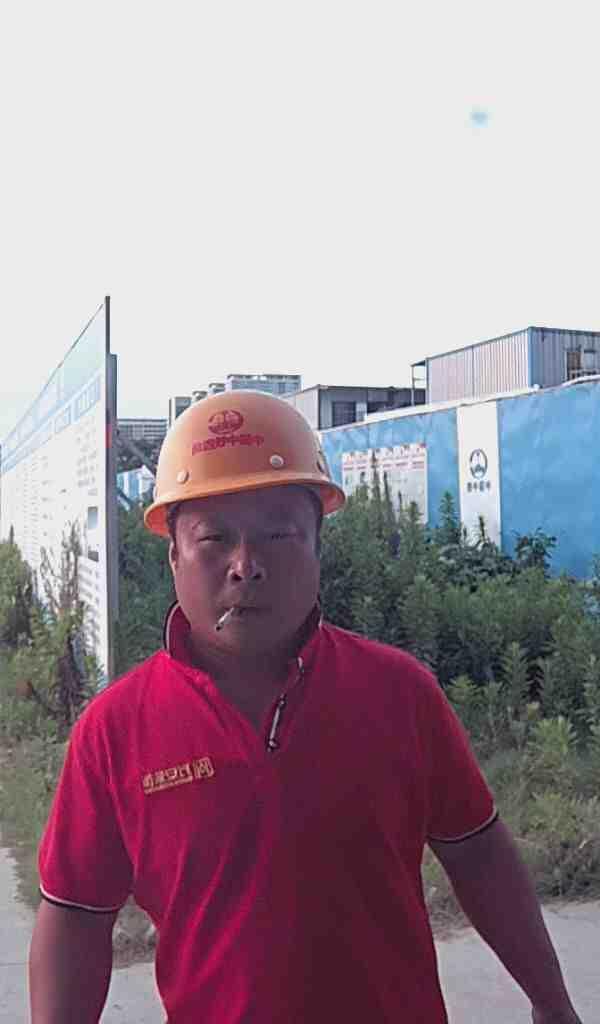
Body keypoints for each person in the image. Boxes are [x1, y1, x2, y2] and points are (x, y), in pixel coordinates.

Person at [29, 391, 582, 1024]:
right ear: (173, 553)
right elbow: (75, 916)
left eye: (279, 534)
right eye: (214, 538)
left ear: (318, 545)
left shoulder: (400, 695)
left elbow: (479, 855)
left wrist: (552, 1002)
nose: (247, 566)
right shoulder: (115, 732)